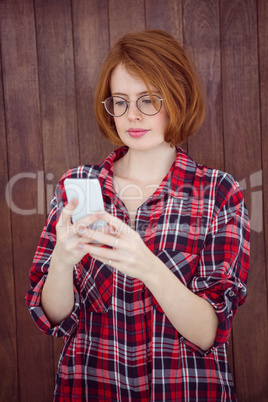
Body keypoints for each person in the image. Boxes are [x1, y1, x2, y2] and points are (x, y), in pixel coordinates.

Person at [26, 30, 250, 401]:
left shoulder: (218, 192)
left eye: (149, 101)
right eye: (120, 102)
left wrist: (146, 264)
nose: (132, 116)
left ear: (178, 98)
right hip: (90, 386)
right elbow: (55, 318)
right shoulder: (77, 185)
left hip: (184, 389)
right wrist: (62, 263)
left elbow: (208, 331)